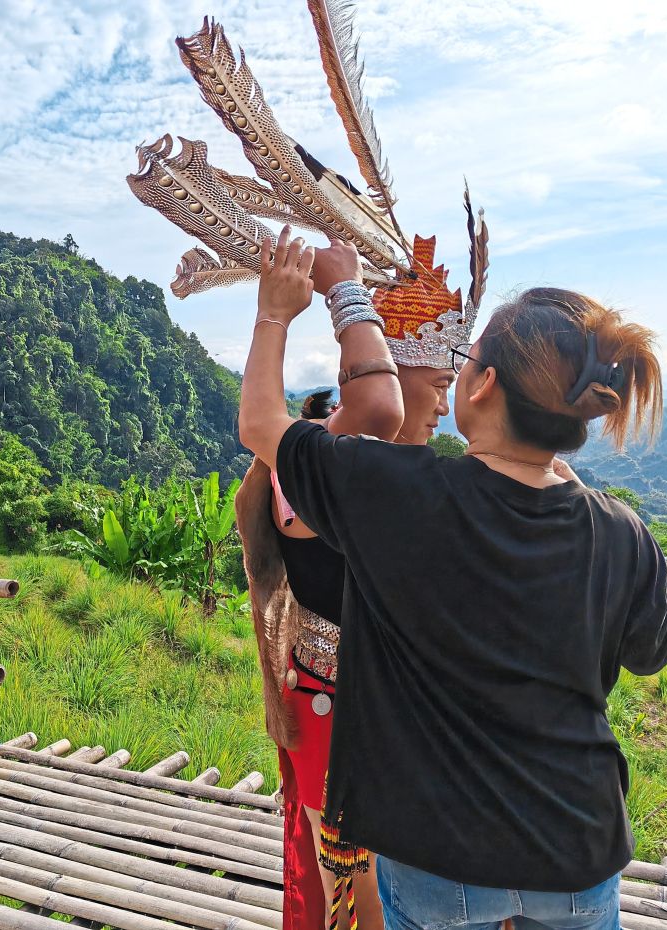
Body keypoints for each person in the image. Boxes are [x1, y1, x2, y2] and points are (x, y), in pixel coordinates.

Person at [238, 232, 667, 930]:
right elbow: (652, 646)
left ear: (481, 386)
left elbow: (262, 424)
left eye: (466, 360)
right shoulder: (617, 531)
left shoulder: (397, 494)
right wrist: (573, 486)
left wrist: (275, 312)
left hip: (436, 854)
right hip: (578, 846)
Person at [236, 234, 463, 930]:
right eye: (439, 386)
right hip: (341, 718)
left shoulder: (401, 482)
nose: (444, 410)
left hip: (390, 723)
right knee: (360, 907)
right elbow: (375, 413)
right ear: (394, 373)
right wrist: (338, 292)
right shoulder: (313, 476)